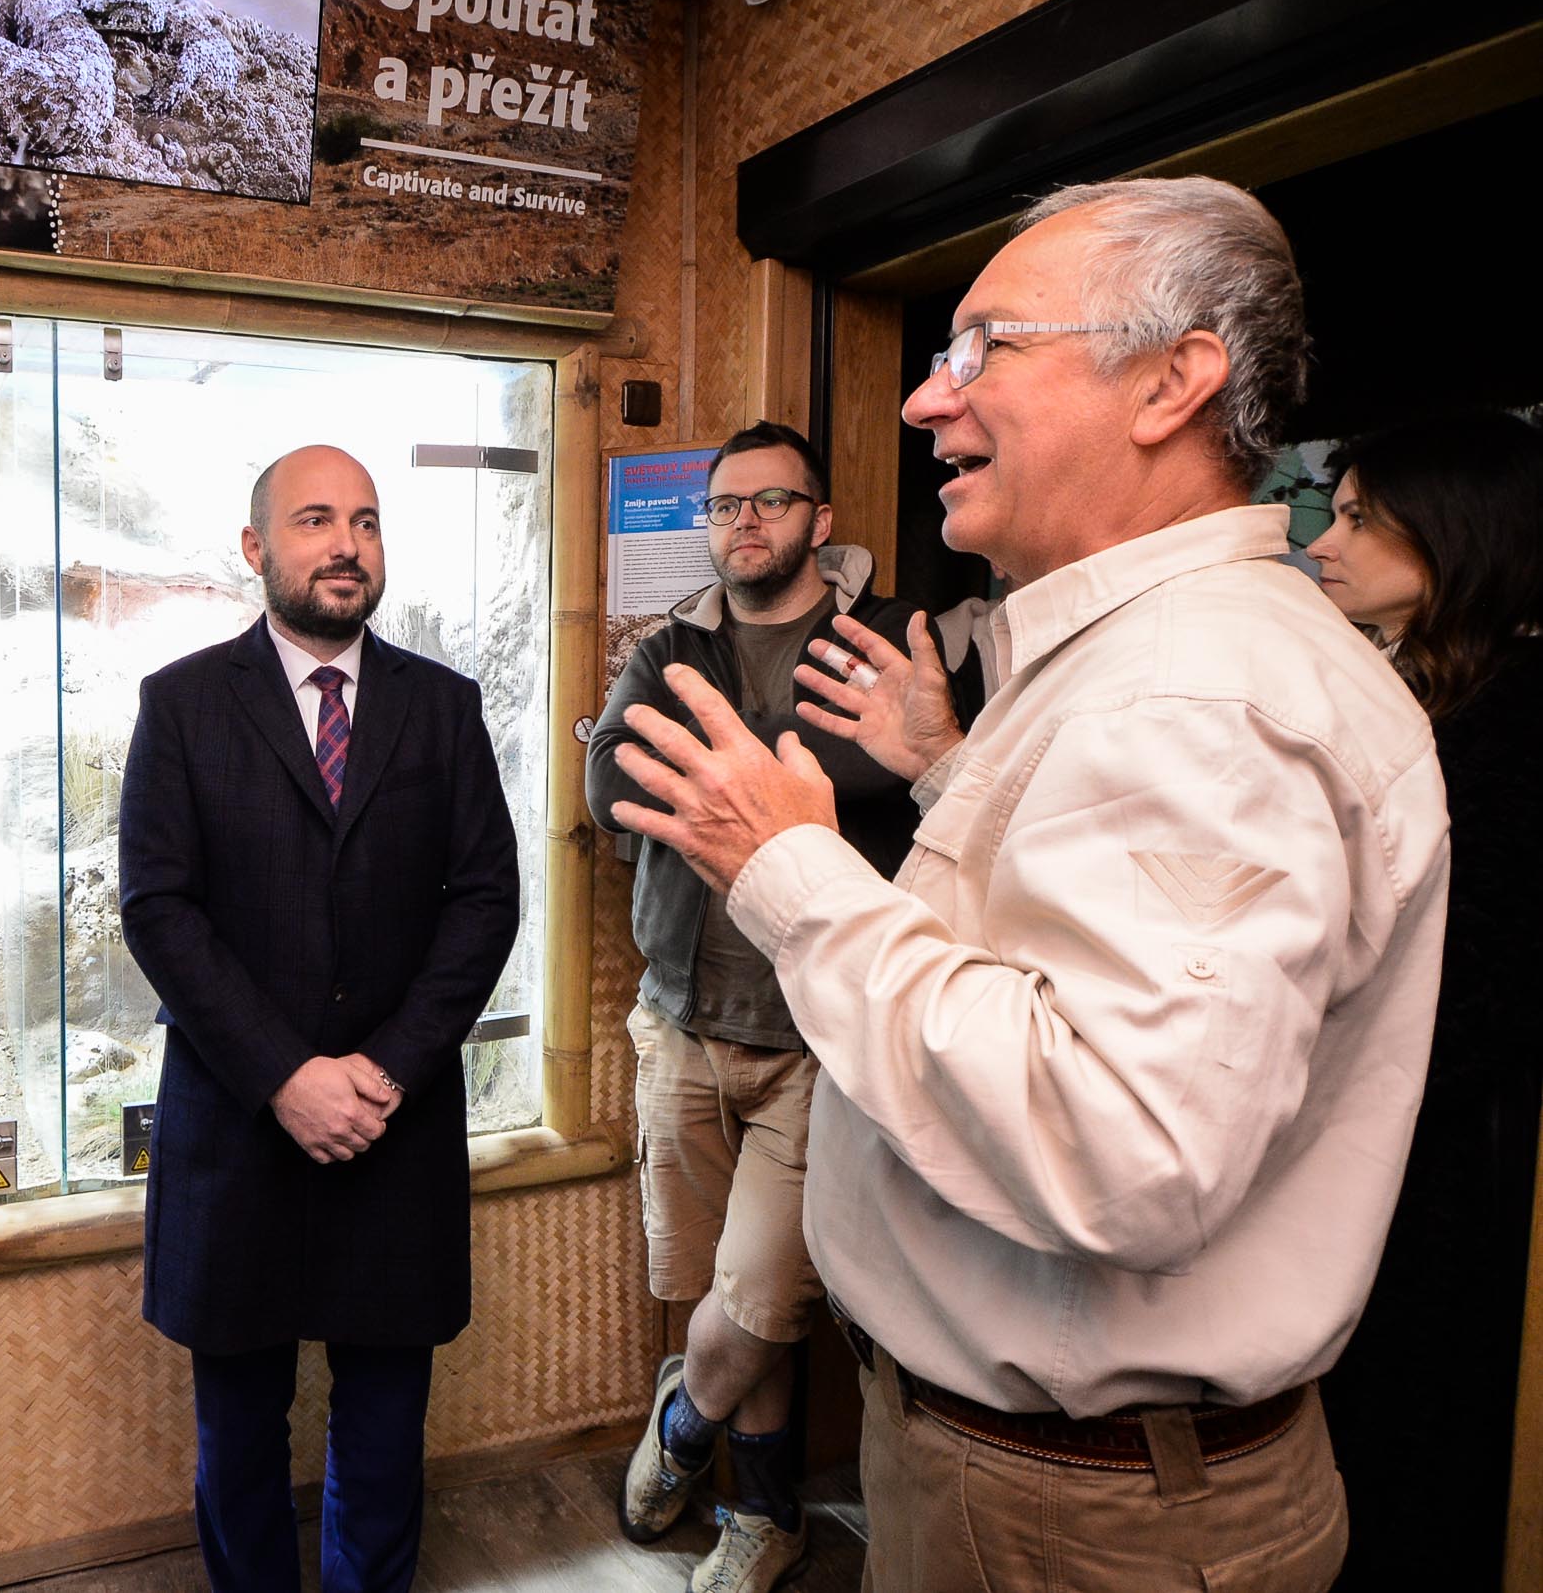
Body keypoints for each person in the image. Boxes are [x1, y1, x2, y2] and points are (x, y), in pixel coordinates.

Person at [607, 177, 1449, 1592]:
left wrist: (789, 866)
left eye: (986, 347)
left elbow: (1120, 1143)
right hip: (1036, 1479)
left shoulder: (1197, 687)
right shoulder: (1151, 658)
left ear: (1172, 380)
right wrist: (944, 773)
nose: (928, 402)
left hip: (1075, 1515)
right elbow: (1090, 944)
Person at [117, 443, 519, 1593]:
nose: (345, 543)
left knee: (386, 1427)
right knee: (238, 1431)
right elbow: (159, 907)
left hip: (393, 1134)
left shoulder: (443, 709)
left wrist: (385, 1069)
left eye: (366, 521)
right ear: (257, 548)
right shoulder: (183, 704)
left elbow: (485, 898)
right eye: (314, 519)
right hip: (239, 1132)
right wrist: (285, 1074)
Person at [586, 421, 977, 1591]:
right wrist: (803, 767)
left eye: (769, 502)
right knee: (714, 1292)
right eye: (724, 506)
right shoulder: (669, 645)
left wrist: (735, 771)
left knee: (760, 1295)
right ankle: (764, 1517)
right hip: (682, 1016)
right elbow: (612, 782)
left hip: (819, 1036)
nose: (743, 524)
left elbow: (916, 768)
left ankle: (682, 1426)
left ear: (819, 517)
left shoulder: (884, 638)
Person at [1302, 411, 1543, 1589]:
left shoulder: (1506, 727)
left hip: (1443, 1162)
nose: (1322, 540)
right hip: (1392, 1139)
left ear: (1449, 533)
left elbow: (1471, 994)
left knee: (1413, 1453)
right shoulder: (1416, 693)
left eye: (1356, 516)